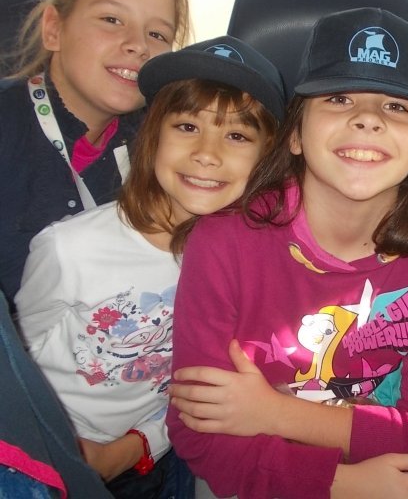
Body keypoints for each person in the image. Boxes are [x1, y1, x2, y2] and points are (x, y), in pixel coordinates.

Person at [165, 8, 408, 499]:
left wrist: (273, 413)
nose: (368, 118)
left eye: (396, 106)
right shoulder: (223, 243)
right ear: (295, 134)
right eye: (339, 98)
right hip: (257, 480)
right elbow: (199, 430)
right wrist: (340, 484)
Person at [14, 35, 285, 498]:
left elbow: (204, 387)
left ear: (267, 158)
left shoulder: (251, 262)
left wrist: (137, 446)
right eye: (187, 126)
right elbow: (18, 367)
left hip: (156, 451)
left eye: (237, 135)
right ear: (152, 135)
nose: (207, 153)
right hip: (42, 452)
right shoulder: (70, 249)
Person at [0, 0, 192, 303]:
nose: (138, 44)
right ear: (54, 28)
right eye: (111, 19)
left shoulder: (171, 143)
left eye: (157, 34)